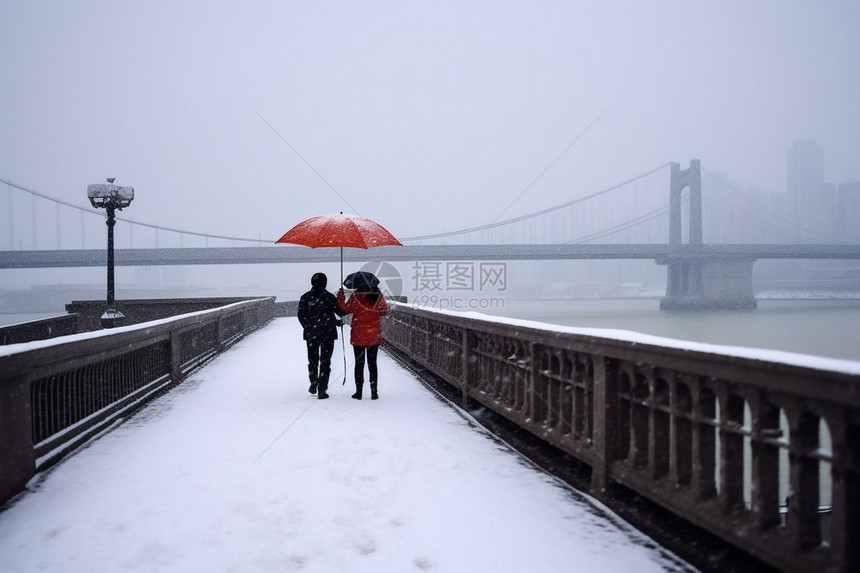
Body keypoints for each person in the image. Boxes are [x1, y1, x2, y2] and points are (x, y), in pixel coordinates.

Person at [337, 283, 389, 400]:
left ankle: (359, 392)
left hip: (359, 335)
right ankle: (374, 392)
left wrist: (341, 296)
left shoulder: (356, 296)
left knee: (359, 364)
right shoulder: (377, 295)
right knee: (372, 364)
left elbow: (346, 309)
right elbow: (384, 310)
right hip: (373, 336)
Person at [297, 272, 344, 400]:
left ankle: (313, 381)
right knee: (325, 362)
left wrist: (308, 327)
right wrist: (341, 298)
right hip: (327, 334)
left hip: (312, 334)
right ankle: (322, 389)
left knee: (312, 360)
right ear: (325, 283)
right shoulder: (329, 297)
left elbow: (301, 315)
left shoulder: (305, 297)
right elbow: (340, 311)